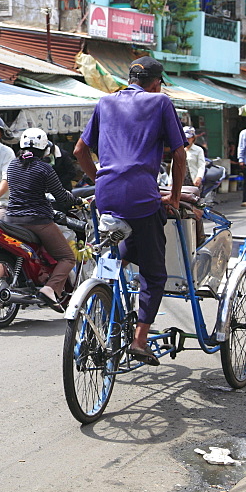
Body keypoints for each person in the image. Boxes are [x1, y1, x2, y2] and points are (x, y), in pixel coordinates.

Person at [74, 56, 186, 367]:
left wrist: (100, 181)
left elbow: (80, 151)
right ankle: (139, 339)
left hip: (106, 195)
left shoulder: (104, 102)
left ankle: (104, 287)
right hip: (141, 195)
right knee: (154, 271)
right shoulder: (160, 102)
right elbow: (179, 154)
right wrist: (175, 197)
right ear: (155, 83)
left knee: (120, 246)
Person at [5, 127, 78, 308]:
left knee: (8, 252)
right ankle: (50, 289)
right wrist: (75, 200)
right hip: (38, 221)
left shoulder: (12, 165)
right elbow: (61, 196)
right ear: (45, 149)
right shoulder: (44, 168)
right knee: (67, 258)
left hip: (11, 219)